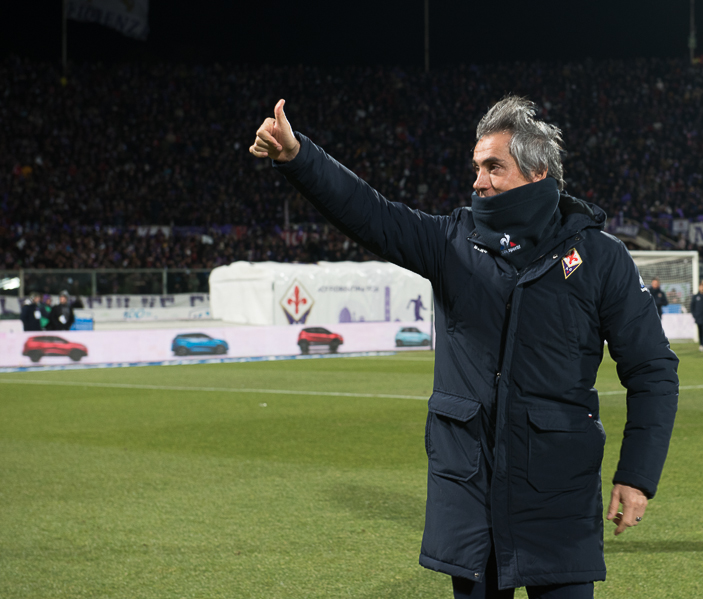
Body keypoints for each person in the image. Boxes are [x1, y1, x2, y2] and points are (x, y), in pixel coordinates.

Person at [250, 96, 679, 597]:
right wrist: (298, 156)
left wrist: (637, 475)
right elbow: (370, 214)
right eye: (476, 167)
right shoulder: (450, 241)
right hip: (470, 492)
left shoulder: (602, 259)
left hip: (556, 496)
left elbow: (652, 370)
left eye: (494, 167)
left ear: (538, 173)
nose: (478, 181)